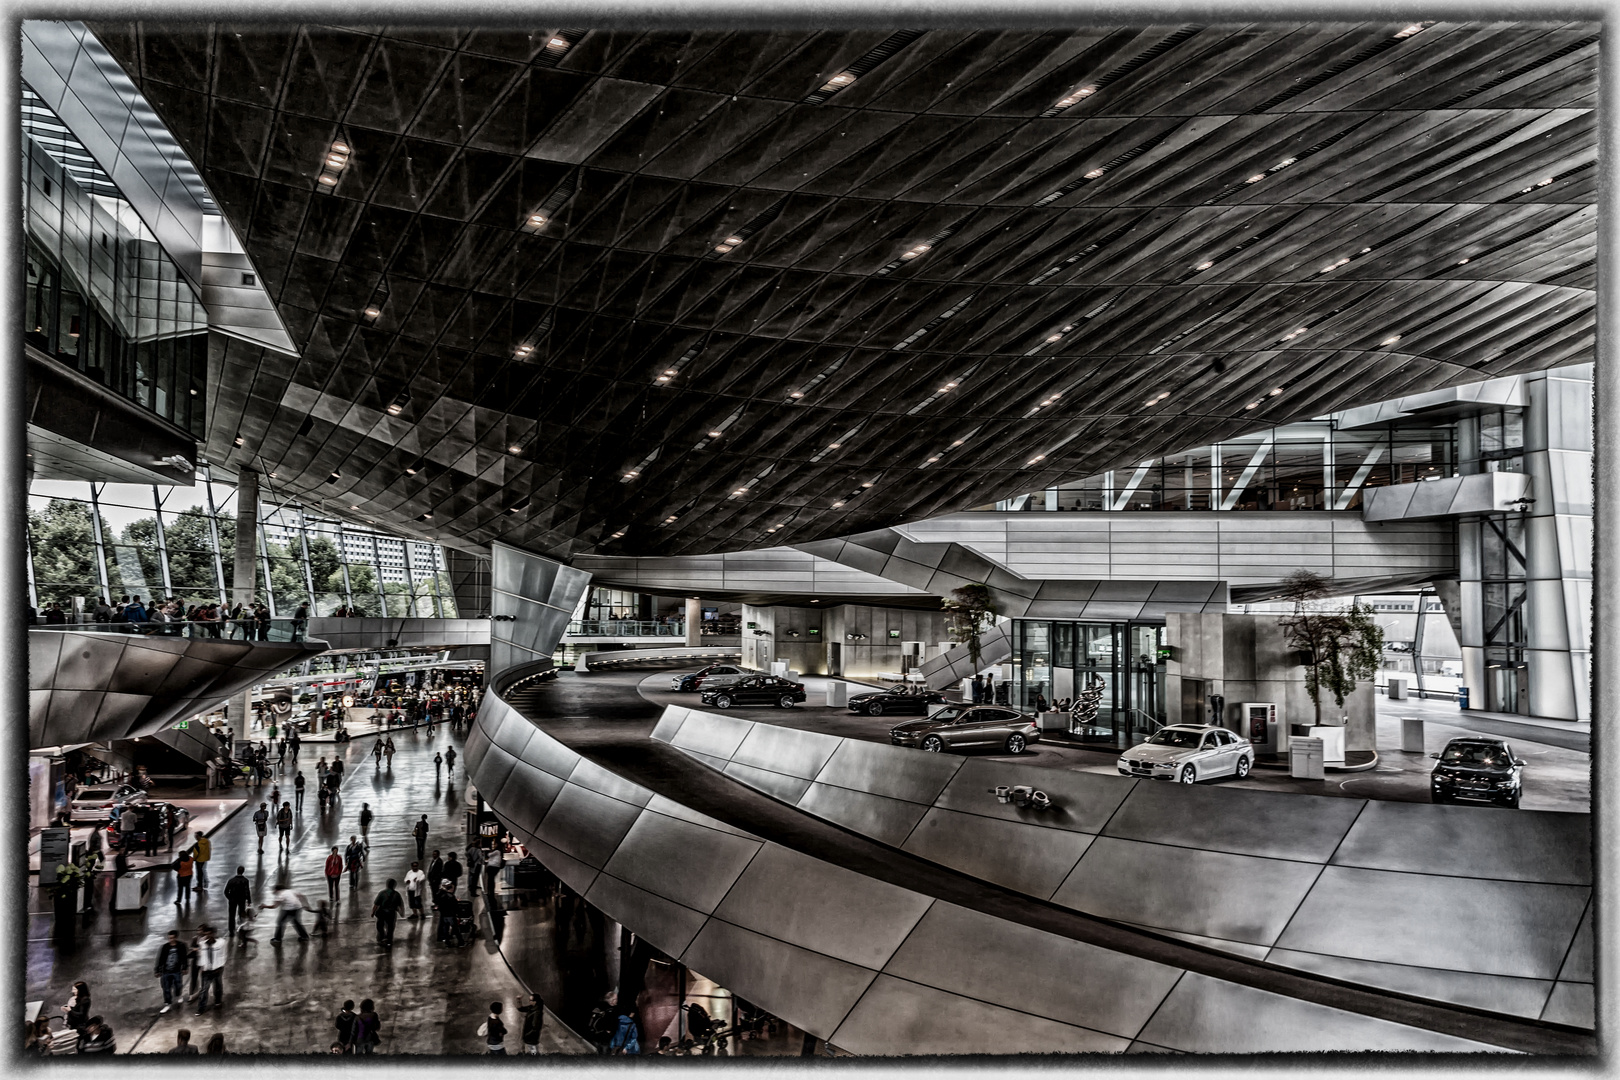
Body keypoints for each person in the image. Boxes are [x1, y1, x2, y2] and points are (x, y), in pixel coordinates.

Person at [155, 930, 188, 1012]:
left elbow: (184, 957)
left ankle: (178, 994)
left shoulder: (181, 946)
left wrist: (185, 967)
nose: (171, 940)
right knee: (166, 988)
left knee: (178, 985)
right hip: (166, 971)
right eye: (169, 938)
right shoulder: (165, 947)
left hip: (176, 970)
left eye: (172, 938)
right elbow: (160, 958)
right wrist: (157, 970)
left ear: (176, 937)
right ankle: (167, 1003)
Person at [194, 927, 224, 1014]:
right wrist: (201, 966)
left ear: (213, 934)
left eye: (209, 934)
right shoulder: (202, 944)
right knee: (204, 989)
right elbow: (200, 956)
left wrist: (220, 966)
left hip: (217, 970)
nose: (208, 936)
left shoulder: (221, 943)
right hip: (206, 971)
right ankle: (201, 1008)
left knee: (217, 986)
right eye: (206, 934)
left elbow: (222, 955)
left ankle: (218, 1001)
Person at [371, 877, 404, 945]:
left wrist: (373, 912)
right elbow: (400, 905)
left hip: (382, 913)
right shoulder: (397, 894)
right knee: (390, 927)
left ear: (387, 885)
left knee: (380, 926)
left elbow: (376, 904)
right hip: (392, 913)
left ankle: (382, 937)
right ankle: (389, 939)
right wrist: (402, 913)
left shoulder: (382, 893)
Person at [224, 865, 252, 935]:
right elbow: (247, 891)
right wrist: (249, 900)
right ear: (243, 872)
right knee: (241, 915)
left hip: (233, 899)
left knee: (231, 915)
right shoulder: (245, 881)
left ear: (237, 871)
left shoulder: (231, 880)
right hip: (241, 899)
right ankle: (241, 928)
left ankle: (231, 930)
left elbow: (226, 891)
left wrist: (230, 898)